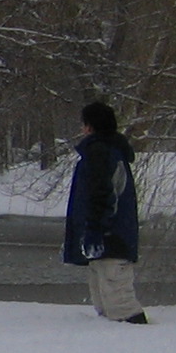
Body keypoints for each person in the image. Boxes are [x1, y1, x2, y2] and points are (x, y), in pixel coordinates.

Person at [63, 100, 147, 322]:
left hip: (110, 236)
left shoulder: (100, 152)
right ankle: (112, 336)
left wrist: (95, 230)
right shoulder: (109, 151)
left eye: (84, 124)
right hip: (112, 234)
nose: (82, 129)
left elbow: (102, 195)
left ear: (90, 126)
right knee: (106, 303)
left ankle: (141, 337)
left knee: (119, 302)